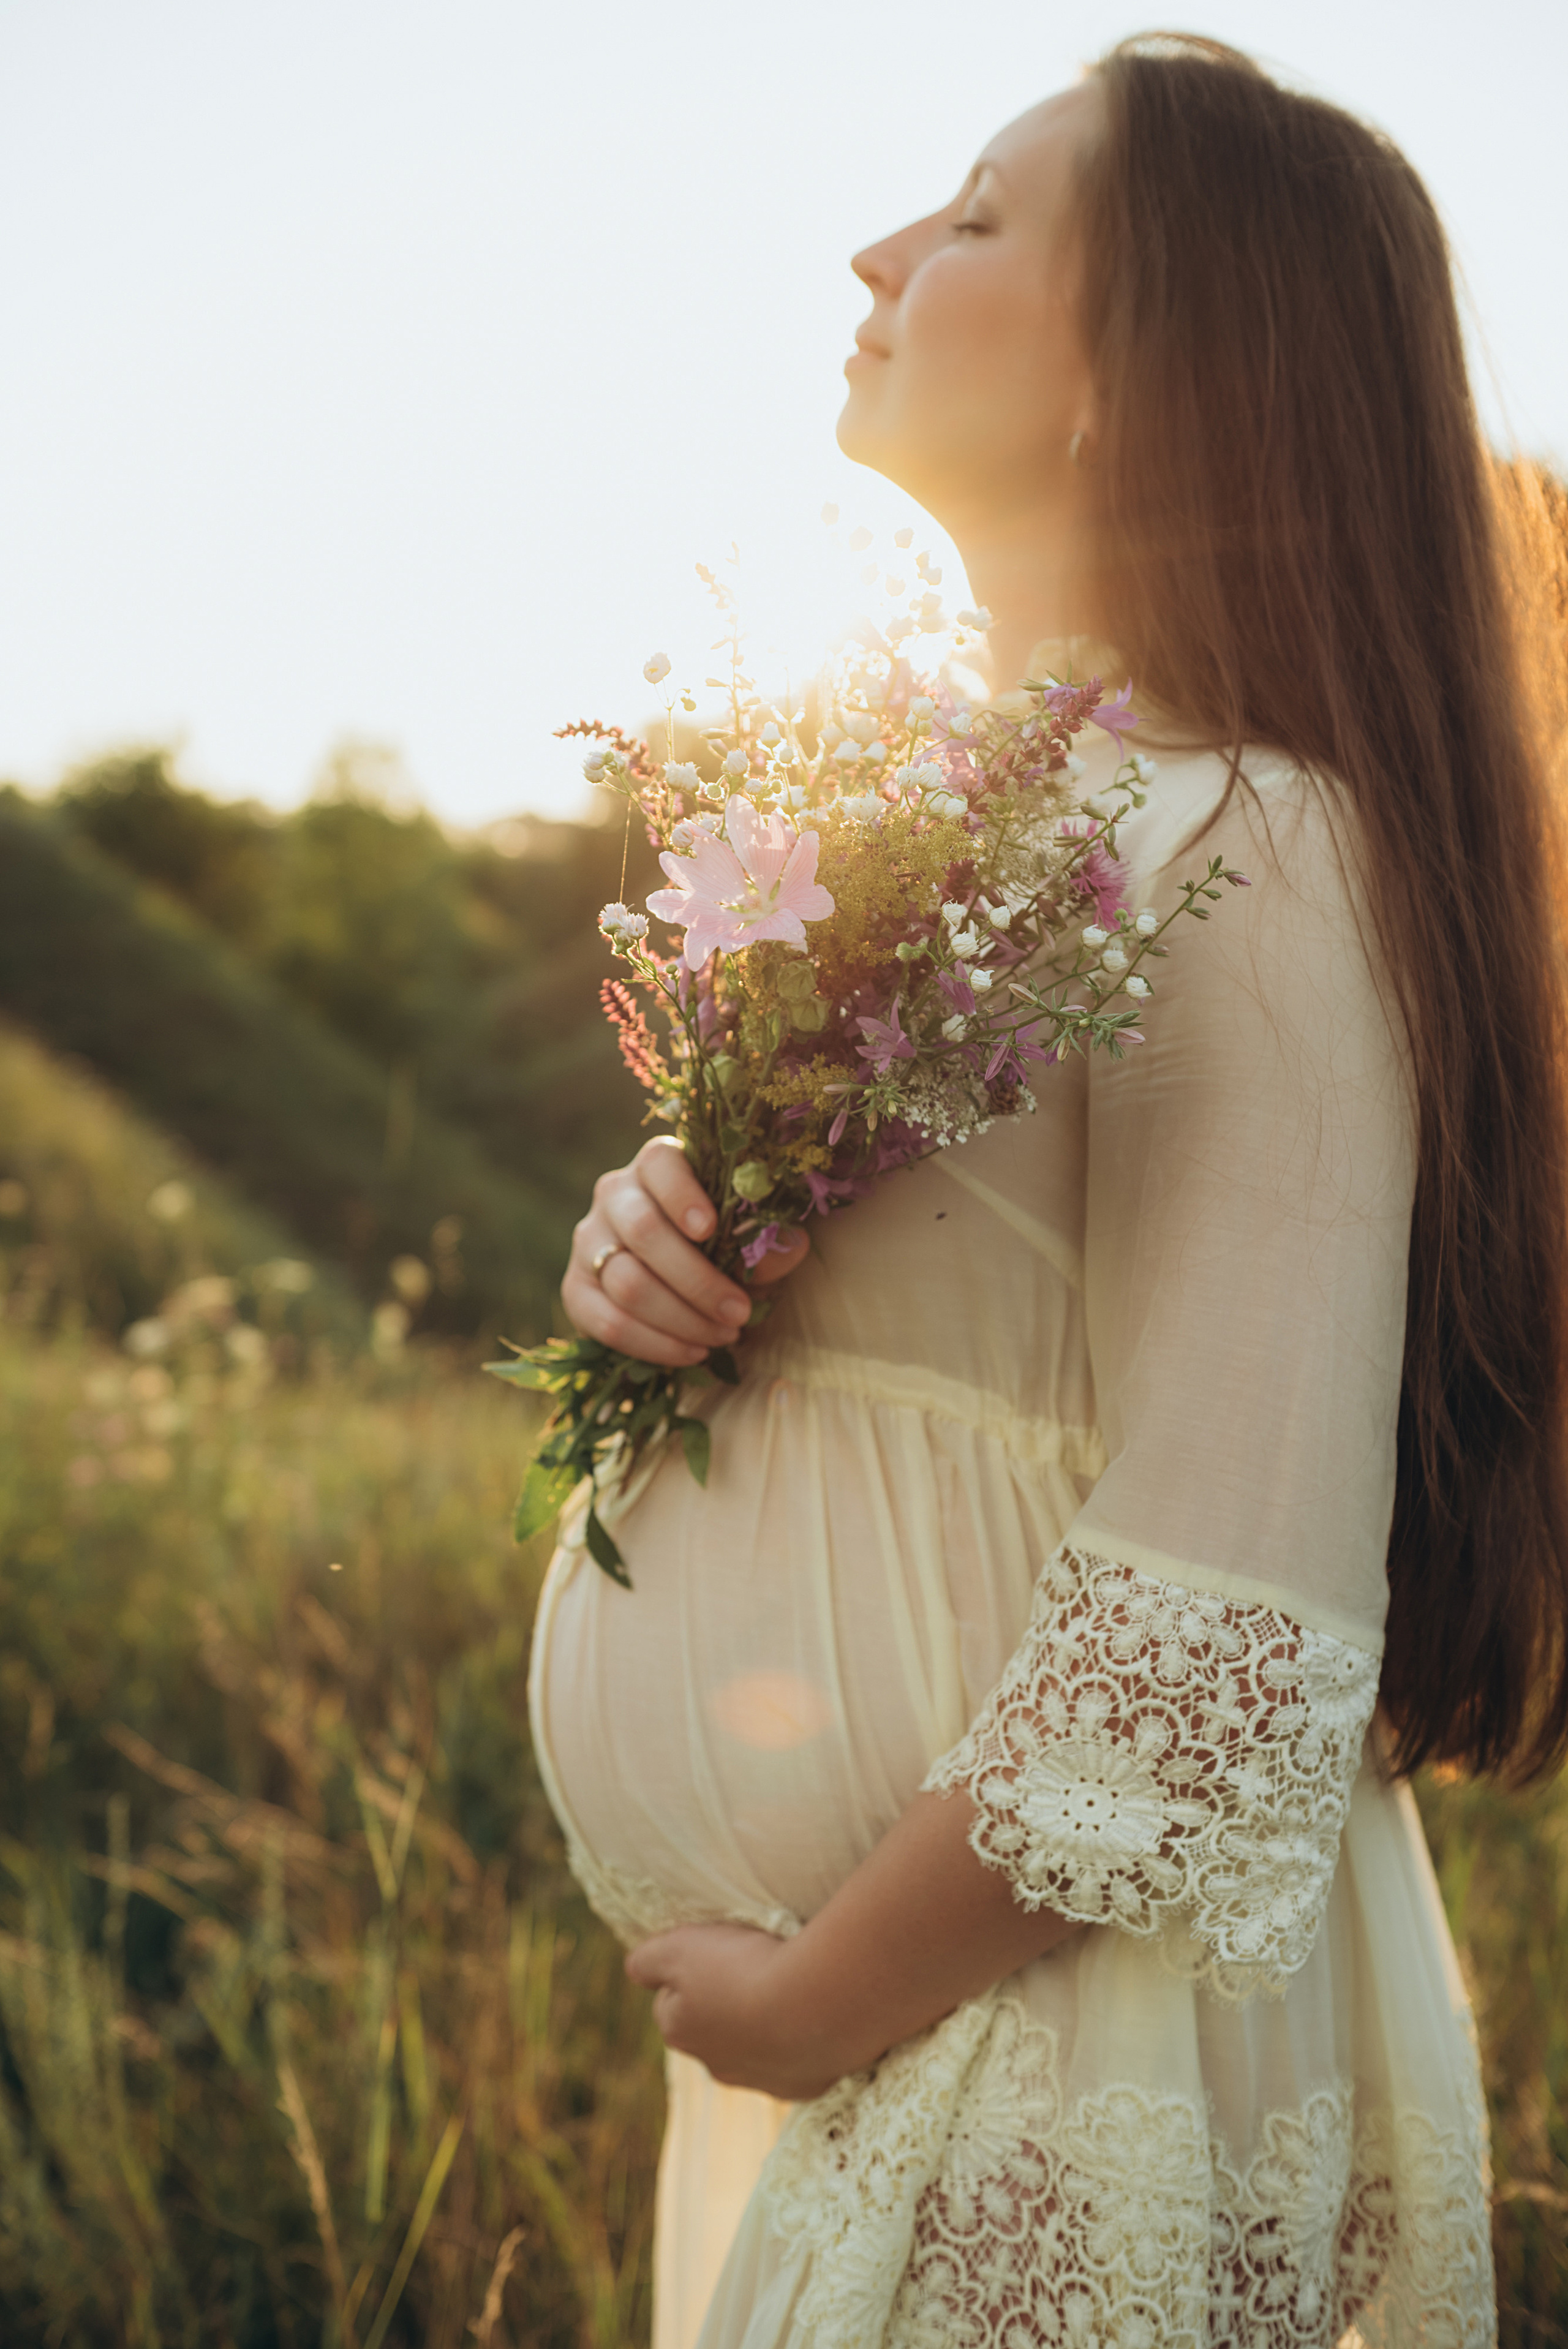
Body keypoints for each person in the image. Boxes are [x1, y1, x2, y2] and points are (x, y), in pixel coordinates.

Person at [528, 34, 1568, 2348]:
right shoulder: (941, 837)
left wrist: (821, 2001)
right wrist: (655, 1254)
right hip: (907, 2032)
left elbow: (1223, 1607)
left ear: (1149, 378)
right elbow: (943, 1301)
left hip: (1046, 2029)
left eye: (981, 216)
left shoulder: (1254, 850)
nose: (882, 253)